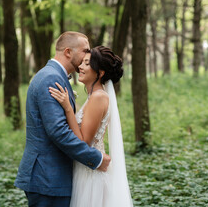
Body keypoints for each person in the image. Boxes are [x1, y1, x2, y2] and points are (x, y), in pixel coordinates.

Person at [14, 32, 111, 207]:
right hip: (48, 178)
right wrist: (95, 158)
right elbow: (58, 131)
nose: (87, 56)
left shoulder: (54, 76)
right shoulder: (51, 78)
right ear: (68, 52)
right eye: (85, 51)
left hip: (53, 177)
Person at [49, 46, 134, 206]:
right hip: (84, 168)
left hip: (91, 174)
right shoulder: (94, 96)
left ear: (100, 72)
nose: (80, 67)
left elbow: (84, 141)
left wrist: (68, 108)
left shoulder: (98, 97)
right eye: (82, 62)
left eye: (87, 64)